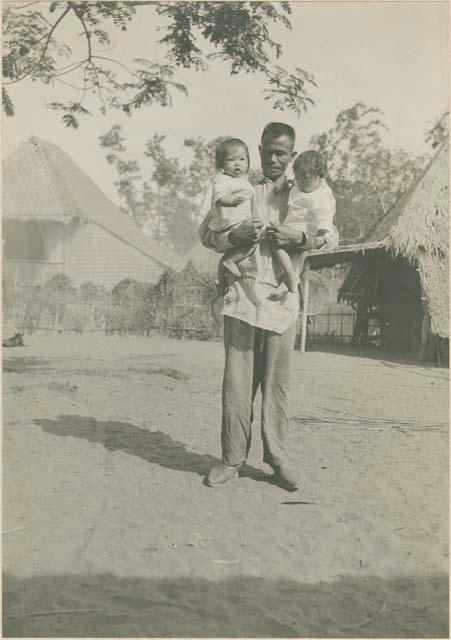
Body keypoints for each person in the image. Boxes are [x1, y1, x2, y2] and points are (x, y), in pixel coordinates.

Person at [199, 122, 338, 491]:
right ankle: (231, 459)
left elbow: (331, 235)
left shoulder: (307, 190)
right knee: (236, 385)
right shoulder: (240, 186)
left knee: (277, 387)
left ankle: (277, 458)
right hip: (242, 299)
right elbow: (206, 233)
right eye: (269, 151)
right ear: (258, 151)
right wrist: (233, 235)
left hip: (280, 302)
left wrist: (301, 236)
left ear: (293, 157)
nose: (275, 158)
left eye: (282, 153)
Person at [270, 149, 337, 300]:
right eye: (298, 178)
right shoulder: (300, 185)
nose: (300, 183)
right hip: (293, 226)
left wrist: (320, 234)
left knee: (298, 254)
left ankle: (288, 279)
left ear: (320, 177)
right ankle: (289, 275)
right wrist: (286, 183)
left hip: (309, 229)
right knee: (278, 245)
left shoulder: (321, 195)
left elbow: (324, 216)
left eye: (305, 179)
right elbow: (292, 181)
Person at [208, 138, 261, 303]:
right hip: (231, 222)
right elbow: (219, 195)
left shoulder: (245, 183)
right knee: (252, 243)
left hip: (239, 222)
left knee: (229, 254)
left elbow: (253, 205)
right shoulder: (222, 179)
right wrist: (229, 200)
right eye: (231, 160)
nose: (237, 164)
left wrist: (256, 220)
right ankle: (231, 262)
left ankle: (220, 279)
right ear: (222, 165)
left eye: (242, 159)